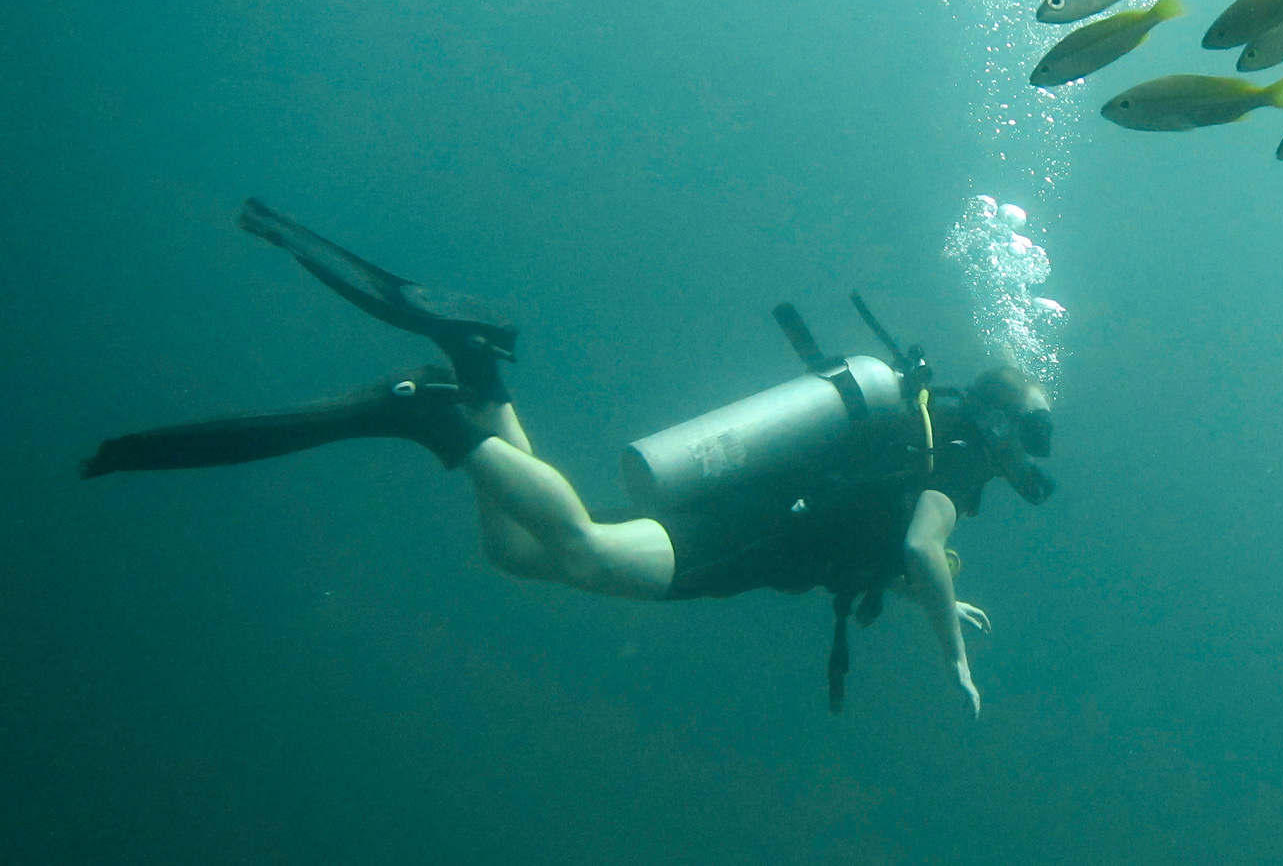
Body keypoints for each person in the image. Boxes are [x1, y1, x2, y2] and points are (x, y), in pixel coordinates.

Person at [81, 199, 1057, 717]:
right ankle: (433, 416)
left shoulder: (926, 430)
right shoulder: (957, 460)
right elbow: (919, 543)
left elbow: (891, 536)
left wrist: (929, 592)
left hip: (755, 520)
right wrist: (953, 652)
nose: (1031, 462)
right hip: (746, 536)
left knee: (516, 552)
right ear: (1004, 426)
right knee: (581, 548)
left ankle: (474, 372)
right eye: (1036, 436)